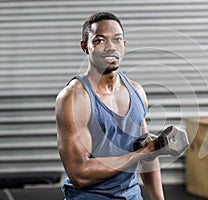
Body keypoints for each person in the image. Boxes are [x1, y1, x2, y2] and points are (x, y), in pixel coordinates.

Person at [55, 12, 165, 200]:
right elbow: (79, 174)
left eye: (117, 39)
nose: (110, 47)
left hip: (131, 195)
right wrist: (142, 153)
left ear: (124, 45)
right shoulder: (74, 98)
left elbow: (148, 155)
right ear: (85, 47)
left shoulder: (137, 92)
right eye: (99, 41)